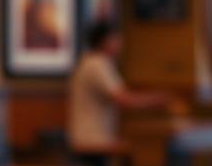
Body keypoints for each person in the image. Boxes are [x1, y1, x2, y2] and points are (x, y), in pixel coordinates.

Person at [67, 21, 171, 151]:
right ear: (106, 41)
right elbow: (123, 99)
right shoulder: (98, 64)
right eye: (117, 39)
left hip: (90, 138)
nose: (121, 43)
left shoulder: (90, 61)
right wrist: (156, 99)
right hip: (92, 140)